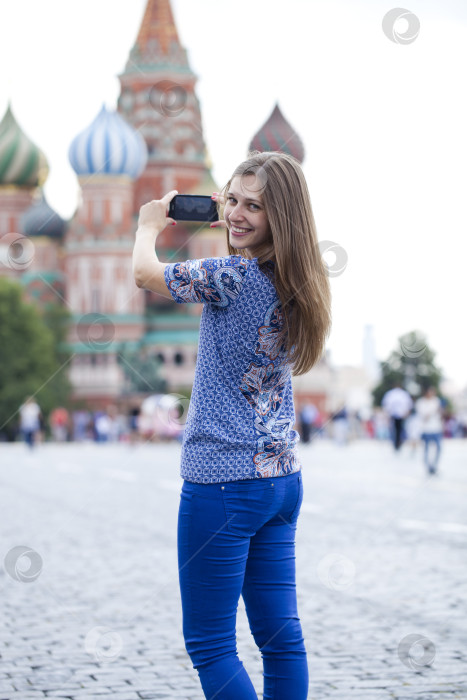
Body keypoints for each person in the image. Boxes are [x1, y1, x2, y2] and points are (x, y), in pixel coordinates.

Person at [132, 151, 332, 700]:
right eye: (232, 201)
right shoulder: (301, 282)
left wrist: (150, 223)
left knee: (211, 643)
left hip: (223, 480)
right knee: (279, 636)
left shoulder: (233, 274)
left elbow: (144, 273)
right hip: (280, 479)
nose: (237, 215)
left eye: (256, 207)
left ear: (281, 217)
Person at [415, 386, 443, 475]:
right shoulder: (421, 402)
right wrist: (431, 412)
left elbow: (439, 412)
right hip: (426, 429)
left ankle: (434, 466)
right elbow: (423, 416)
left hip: (436, 428)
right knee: (426, 448)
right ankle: (428, 466)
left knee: (438, 447)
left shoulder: (436, 401)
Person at [382, 382, 413, 451]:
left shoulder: (391, 394)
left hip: (398, 414)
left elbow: (386, 404)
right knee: (398, 429)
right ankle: (397, 442)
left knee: (397, 429)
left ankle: (397, 442)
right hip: (398, 414)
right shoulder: (402, 394)